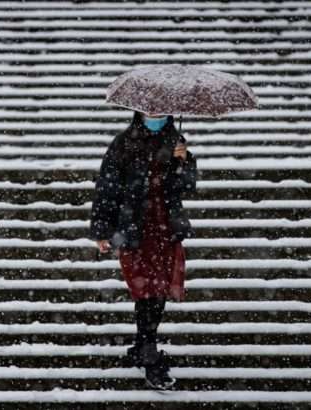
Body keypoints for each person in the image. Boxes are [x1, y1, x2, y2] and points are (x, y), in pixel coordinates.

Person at [89, 111, 197, 389]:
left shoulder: (176, 140)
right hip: (135, 226)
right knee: (146, 288)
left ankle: (143, 345)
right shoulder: (123, 142)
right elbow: (107, 187)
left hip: (165, 225)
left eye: (161, 112)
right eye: (151, 111)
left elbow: (186, 186)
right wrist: (102, 229)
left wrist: (184, 162)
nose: (155, 115)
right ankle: (148, 352)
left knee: (159, 288)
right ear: (139, 111)